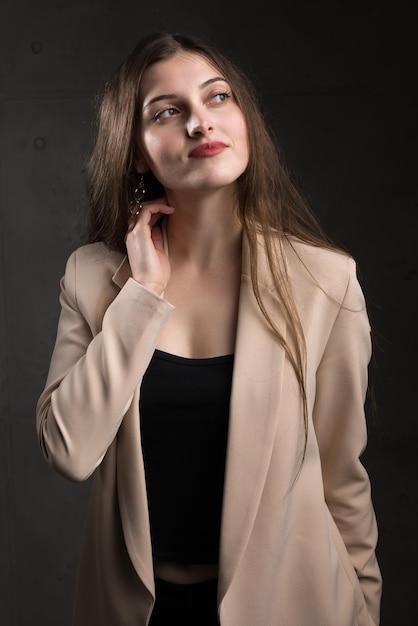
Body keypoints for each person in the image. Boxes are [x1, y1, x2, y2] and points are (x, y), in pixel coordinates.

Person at [35, 31, 382, 626]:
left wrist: (365, 607)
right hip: (140, 612)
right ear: (138, 151)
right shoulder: (93, 278)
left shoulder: (326, 282)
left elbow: (342, 477)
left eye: (218, 98)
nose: (200, 123)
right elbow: (68, 449)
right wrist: (142, 293)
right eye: (168, 112)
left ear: (244, 120)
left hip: (297, 607)